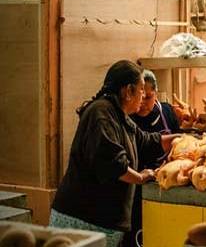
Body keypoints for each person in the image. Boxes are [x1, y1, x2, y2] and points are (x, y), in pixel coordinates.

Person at [50, 60, 179, 247]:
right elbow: (112, 163)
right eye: (141, 89)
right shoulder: (100, 113)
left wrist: (182, 139)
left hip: (104, 222)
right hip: (83, 220)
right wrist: (141, 177)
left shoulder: (120, 115)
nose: (143, 96)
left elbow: (146, 141)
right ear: (128, 91)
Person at [124, 70, 181, 247]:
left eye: (148, 97)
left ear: (156, 93)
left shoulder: (167, 112)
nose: (143, 103)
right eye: (141, 95)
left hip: (164, 185)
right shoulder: (127, 119)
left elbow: (176, 146)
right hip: (134, 188)